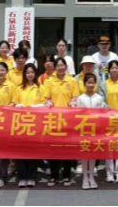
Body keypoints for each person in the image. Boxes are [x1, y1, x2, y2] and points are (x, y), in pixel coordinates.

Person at [44, 58, 80, 187]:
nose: (60, 68)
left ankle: (66, 175)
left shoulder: (71, 80)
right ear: (55, 67)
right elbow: (46, 98)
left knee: (67, 149)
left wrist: (73, 103)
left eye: (62, 65)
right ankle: (54, 176)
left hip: (68, 120)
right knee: (53, 149)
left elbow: (75, 97)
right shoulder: (49, 81)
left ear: (66, 67)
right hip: (53, 120)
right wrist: (48, 103)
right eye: (58, 65)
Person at [14, 64, 46, 188]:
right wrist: (19, 106)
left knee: (33, 151)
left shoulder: (41, 87)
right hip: (21, 124)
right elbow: (14, 103)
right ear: (24, 74)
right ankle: (22, 177)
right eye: (27, 72)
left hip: (35, 124)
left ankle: (32, 176)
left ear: (35, 73)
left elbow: (45, 103)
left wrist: (36, 107)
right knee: (20, 152)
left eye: (32, 72)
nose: (30, 74)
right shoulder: (19, 88)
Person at [98, 60, 118, 183]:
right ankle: (109, 173)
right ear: (108, 70)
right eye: (112, 68)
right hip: (108, 119)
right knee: (109, 146)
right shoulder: (103, 84)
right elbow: (102, 101)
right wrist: (110, 111)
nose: (114, 70)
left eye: (116, 68)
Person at [77, 73, 107, 190]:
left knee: (93, 154)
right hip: (84, 129)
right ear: (84, 84)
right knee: (85, 154)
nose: (90, 85)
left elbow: (102, 113)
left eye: (93, 82)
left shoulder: (99, 98)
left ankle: (91, 177)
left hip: (96, 129)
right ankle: (85, 177)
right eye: (88, 82)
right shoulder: (81, 98)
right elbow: (77, 114)